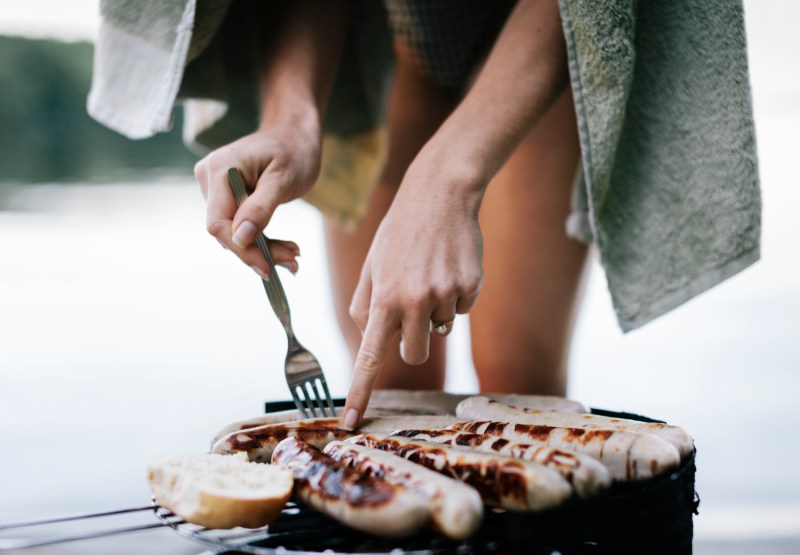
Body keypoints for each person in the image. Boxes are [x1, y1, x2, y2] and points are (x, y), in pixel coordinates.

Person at [193, 0, 587, 430]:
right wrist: (290, 120)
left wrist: (444, 178)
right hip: (389, 26)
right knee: (389, 382)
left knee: (518, 384)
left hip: (539, 19)